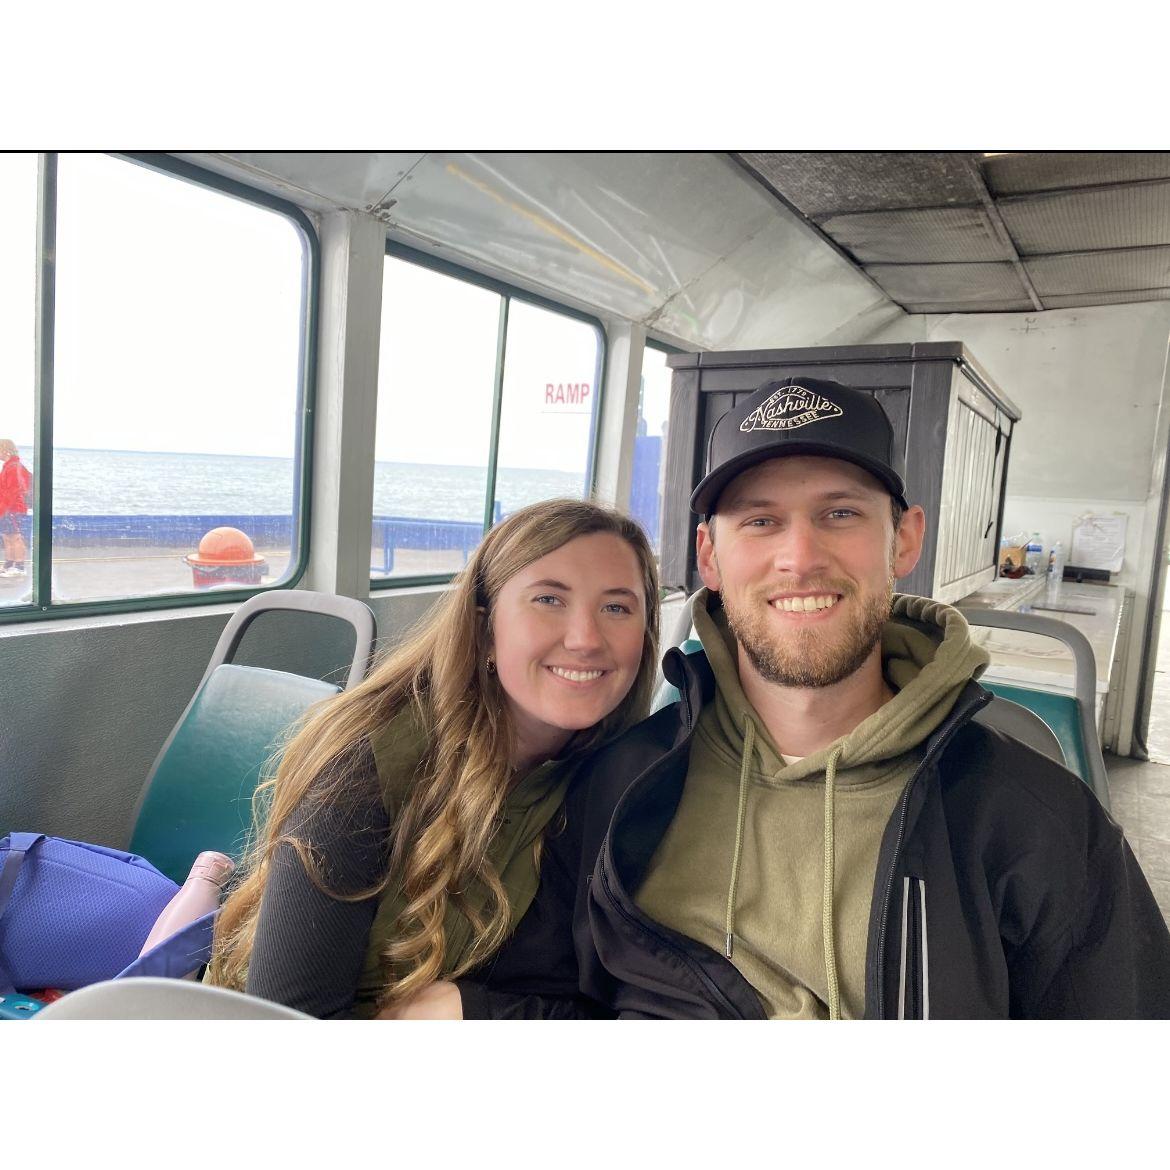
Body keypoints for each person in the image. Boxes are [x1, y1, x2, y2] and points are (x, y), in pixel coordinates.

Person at [464, 376, 1170, 1019]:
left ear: (904, 541)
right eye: (760, 521)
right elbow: (546, 997)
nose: (799, 557)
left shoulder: (1034, 824)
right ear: (709, 557)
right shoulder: (617, 787)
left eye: (839, 514)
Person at [206, 498, 660, 1019]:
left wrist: (468, 1011)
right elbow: (287, 1024)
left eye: (617, 607)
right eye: (548, 600)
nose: (585, 639)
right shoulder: (366, 768)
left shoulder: (622, 783)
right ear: (486, 627)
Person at [0, 439, 31, 578]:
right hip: (8, 507)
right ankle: (9, 564)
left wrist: (4, 508)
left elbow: (13, 491)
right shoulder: (9, 466)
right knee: (7, 536)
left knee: (15, 537)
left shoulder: (13, 467)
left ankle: (19, 566)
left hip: (13, 508)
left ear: (5, 450)